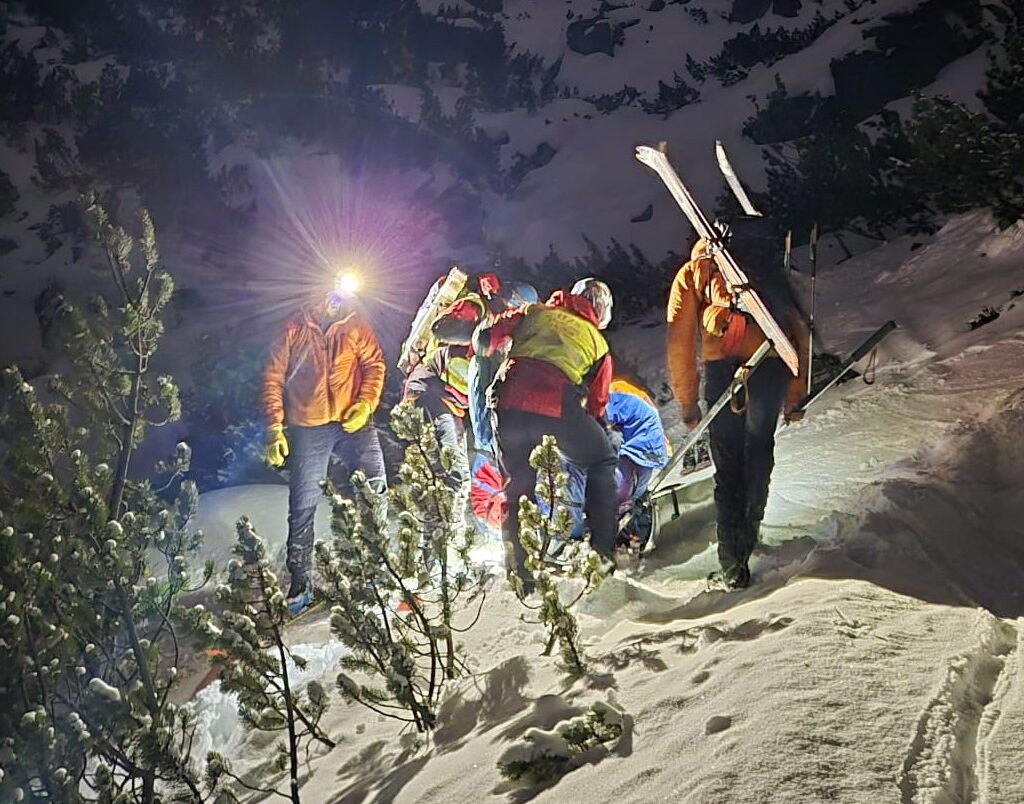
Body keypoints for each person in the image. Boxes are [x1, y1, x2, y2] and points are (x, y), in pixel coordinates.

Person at [666, 216, 808, 590]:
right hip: (773, 364)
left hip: (726, 372)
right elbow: (797, 329)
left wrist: (687, 402)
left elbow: (679, 341)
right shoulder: (765, 268)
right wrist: (795, 395)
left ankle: (733, 565)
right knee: (759, 451)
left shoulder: (696, 270)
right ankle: (747, 539)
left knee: (729, 466)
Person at [477, 277, 617, 591]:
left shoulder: (534, 312)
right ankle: (602, 559)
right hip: (555, 402)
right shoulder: (597, 343)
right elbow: (597, 403)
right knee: (601, 461)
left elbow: (486, 339)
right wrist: (599, 431)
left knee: (518, 486)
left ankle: (520, 575)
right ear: (599, 310)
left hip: (506, 401)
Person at [262, 272, 388, 611]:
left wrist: (365, 404)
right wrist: (274, 428)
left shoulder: (354, 324)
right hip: (310, 427)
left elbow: (374, 364)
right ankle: (300, 584)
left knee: (374, 486)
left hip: (353, 423)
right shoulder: (293, 328)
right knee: (302, 504)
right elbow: (272, 378)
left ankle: (377, 572)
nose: (335, 304)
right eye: (330, 297)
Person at [401, 273, 538, 542]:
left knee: (451, 479)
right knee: (454, 477)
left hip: (452, 407)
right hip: (428, 390)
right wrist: (481, 335)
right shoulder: (476, 307)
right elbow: (442, 329)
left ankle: (438, 548)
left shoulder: (507, 340)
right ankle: (440, 555)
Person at [564, 375, 670, 544]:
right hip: (646, 461)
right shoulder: (619, 393)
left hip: (636, 458)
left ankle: (574, 535)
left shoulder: (609, 398)